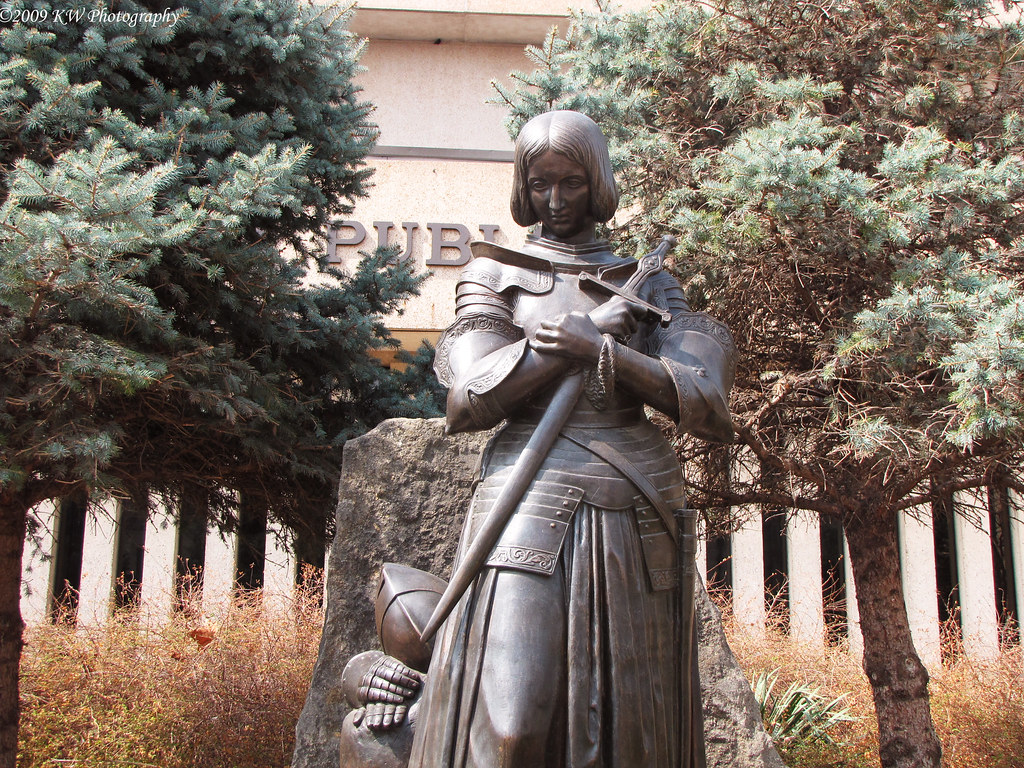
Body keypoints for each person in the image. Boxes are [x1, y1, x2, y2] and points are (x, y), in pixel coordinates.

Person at [409, 110, 734, 768]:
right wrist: (565, 346)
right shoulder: (495, 275)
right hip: (527, 492)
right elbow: (466, 400)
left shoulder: (649, 282)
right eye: (540, 184)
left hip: (635, 500)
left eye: (571, 183)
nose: (554, 200)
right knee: (511, 726)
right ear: (522, 186)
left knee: (634, 729)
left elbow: (707, 403)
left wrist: (602, 352)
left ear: (598, 182)